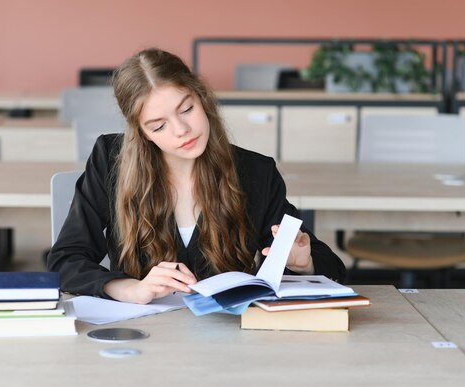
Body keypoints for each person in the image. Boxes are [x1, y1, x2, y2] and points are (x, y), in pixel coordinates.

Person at [47, 48, 345, 304]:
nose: (181, 130)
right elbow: (65, 260)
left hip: (229, 342)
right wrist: (130, 289)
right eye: (158, 126)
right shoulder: (110, 160)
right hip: (142, 336)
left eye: (186, 109)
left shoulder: (255, 172)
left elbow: (333, 268)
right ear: (142, 134)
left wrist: (304, 263)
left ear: (202, 98)